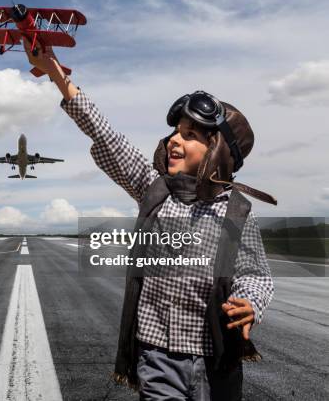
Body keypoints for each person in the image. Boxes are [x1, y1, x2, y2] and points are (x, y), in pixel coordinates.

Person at [22, 39, 276, 401]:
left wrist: (248, 302)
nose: (174, 140)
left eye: (189, 135)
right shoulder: (154, 188)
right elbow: (108, 137)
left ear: (217, 152)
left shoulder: (236, 213)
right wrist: (57, 76)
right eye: (175, 131)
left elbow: (256, 276)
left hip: (214, 359)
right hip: (155, 354)